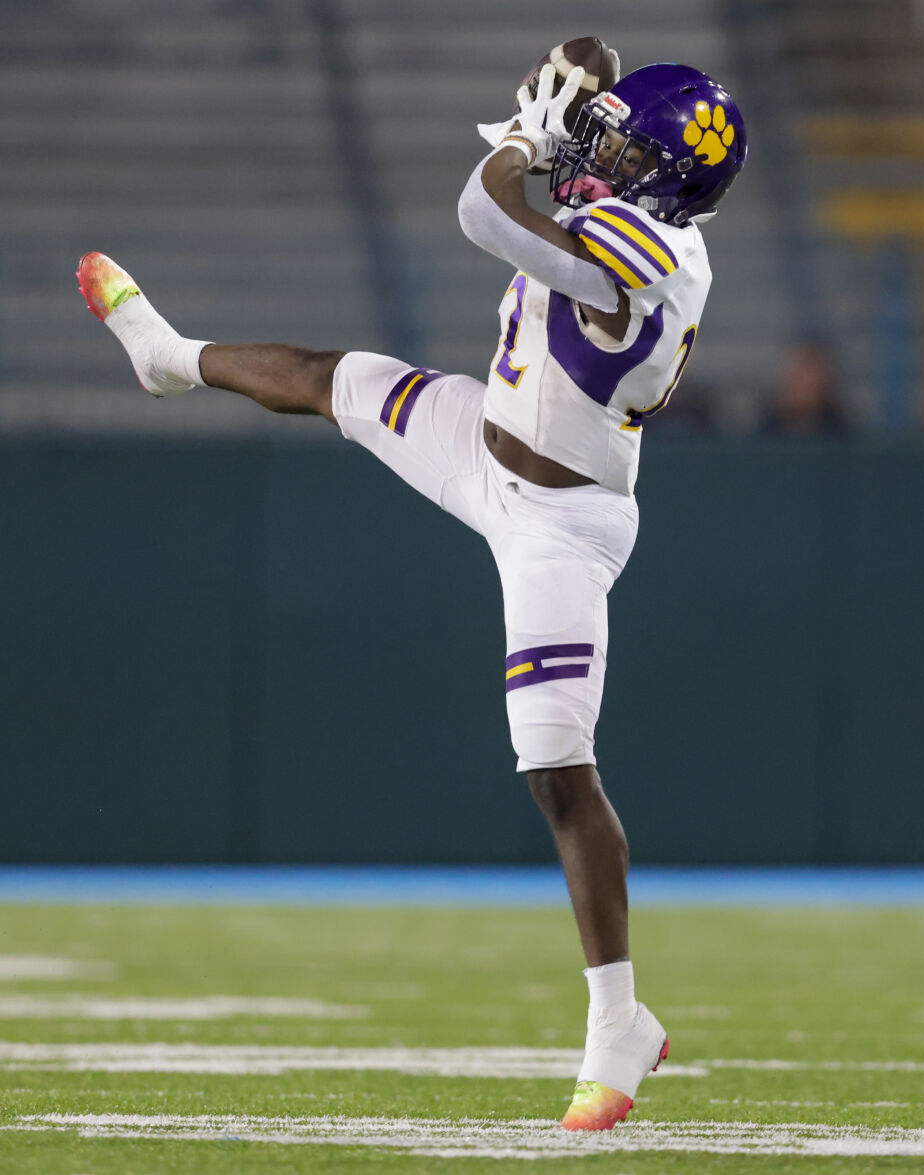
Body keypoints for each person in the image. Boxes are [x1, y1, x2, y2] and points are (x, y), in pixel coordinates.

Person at [77, 54, 747, 1132]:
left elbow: (485, 214)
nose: (600, 154)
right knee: (340, 378)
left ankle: (618, 1017)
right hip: (487, 445)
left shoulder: (655, 251)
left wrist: (528, 140)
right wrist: (585, 92)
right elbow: (566, 157)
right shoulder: (631, 210)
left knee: (556, 770)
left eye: (624, 149)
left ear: (668, 181)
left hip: (561, 521)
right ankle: (169, 356)